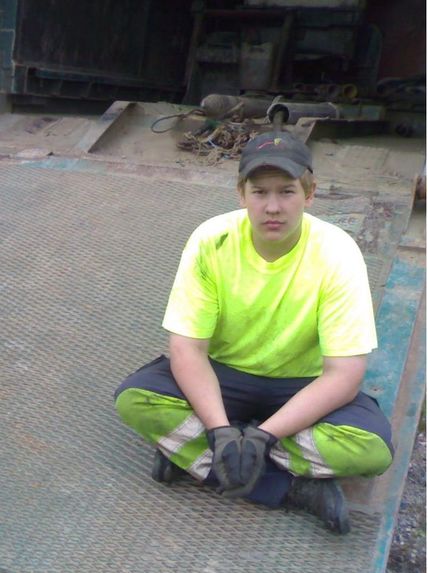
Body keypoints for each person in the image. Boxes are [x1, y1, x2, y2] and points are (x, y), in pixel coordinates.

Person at [114, 131, 393, 534]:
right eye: (260, 192)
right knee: (135, 399)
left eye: (287, 191)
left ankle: (195, 458)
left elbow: (344, 375)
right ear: (241, 194)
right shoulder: (211, 241)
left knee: (371, 449)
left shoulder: (338, 253)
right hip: (224, 375)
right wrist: (219, 430)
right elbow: (187, 350)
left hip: (302, 384)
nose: (272, 207)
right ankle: (288, 488)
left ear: (309, 194)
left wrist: (263, 436)